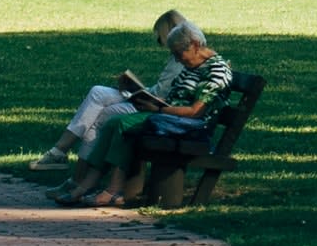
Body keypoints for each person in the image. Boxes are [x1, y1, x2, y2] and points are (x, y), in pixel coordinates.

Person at [44, 12, 231, 180]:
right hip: (165, 112)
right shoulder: (190, 63)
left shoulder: (209, 68)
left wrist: (156, 107)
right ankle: (80, 178)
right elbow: (173, 95)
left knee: (113, 120)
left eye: (177, 53)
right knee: (102, 101)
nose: (175, 58)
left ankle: (87, 182)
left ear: (195, 45)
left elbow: (194, 111)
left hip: (181, 123)